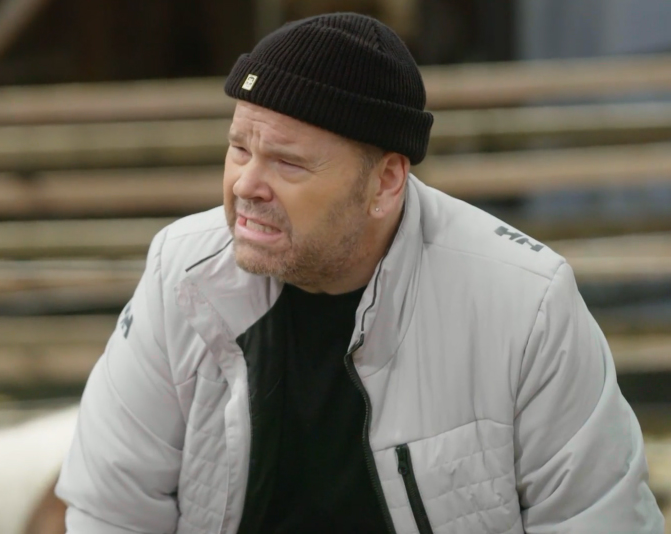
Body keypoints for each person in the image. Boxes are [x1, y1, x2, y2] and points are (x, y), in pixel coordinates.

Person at [56, 12, 664, 534]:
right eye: (240, 148)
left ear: (386, 182)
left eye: (288, 163)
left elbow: (598, 518)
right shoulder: (182, 272)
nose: (246, 184)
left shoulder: (526, 305)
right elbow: (111, 508)